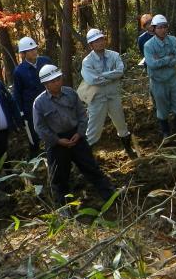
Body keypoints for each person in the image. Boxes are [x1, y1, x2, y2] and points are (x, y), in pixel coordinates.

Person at [32, 65, 116, 207]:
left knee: (92, 168)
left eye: (58, 79)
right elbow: (39, 128)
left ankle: (111, 198)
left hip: (77, 137)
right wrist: (58, 140)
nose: (57, 82)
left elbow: (82, 114)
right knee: (59, 178)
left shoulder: (70, 93)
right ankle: (64, 208)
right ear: (45, 84)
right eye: (53, 81)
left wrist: (79, 133)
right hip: (56, 143)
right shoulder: (39, 103)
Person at [80, 29, 137, 158]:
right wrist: (111, 76)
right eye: (96, 41)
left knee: (121, 124)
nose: (100, 43)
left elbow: (120, 72)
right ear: (91, 45)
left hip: (113, 96)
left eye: (101, 39)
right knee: (94, 129)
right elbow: (91, 79)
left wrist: (102, 75)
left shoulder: (114, 56)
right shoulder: (87, 61)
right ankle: (87, 158)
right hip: (97, 98)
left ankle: (128, 150)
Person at [144, 15, 176, 138]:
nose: (163, 30)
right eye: (159, 27)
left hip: (173, 79)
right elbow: (152, 64)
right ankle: (166, 133)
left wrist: (162, 60)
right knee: (162, 107)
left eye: (165, 27)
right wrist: (169, 57)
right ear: (154, 29)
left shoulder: (173, 40)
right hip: (158, 82)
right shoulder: (149, 45)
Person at [12, 37, 52, 157]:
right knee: (34, 135)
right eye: (30, 50)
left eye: (34, 48)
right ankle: (35, 158)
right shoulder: (19, 71)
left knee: (53, 128)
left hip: (50, 102)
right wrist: (20, 111)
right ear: (23, 54)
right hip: (30, 108)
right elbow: (17, 93)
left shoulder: (46, 61)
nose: (34, 51)